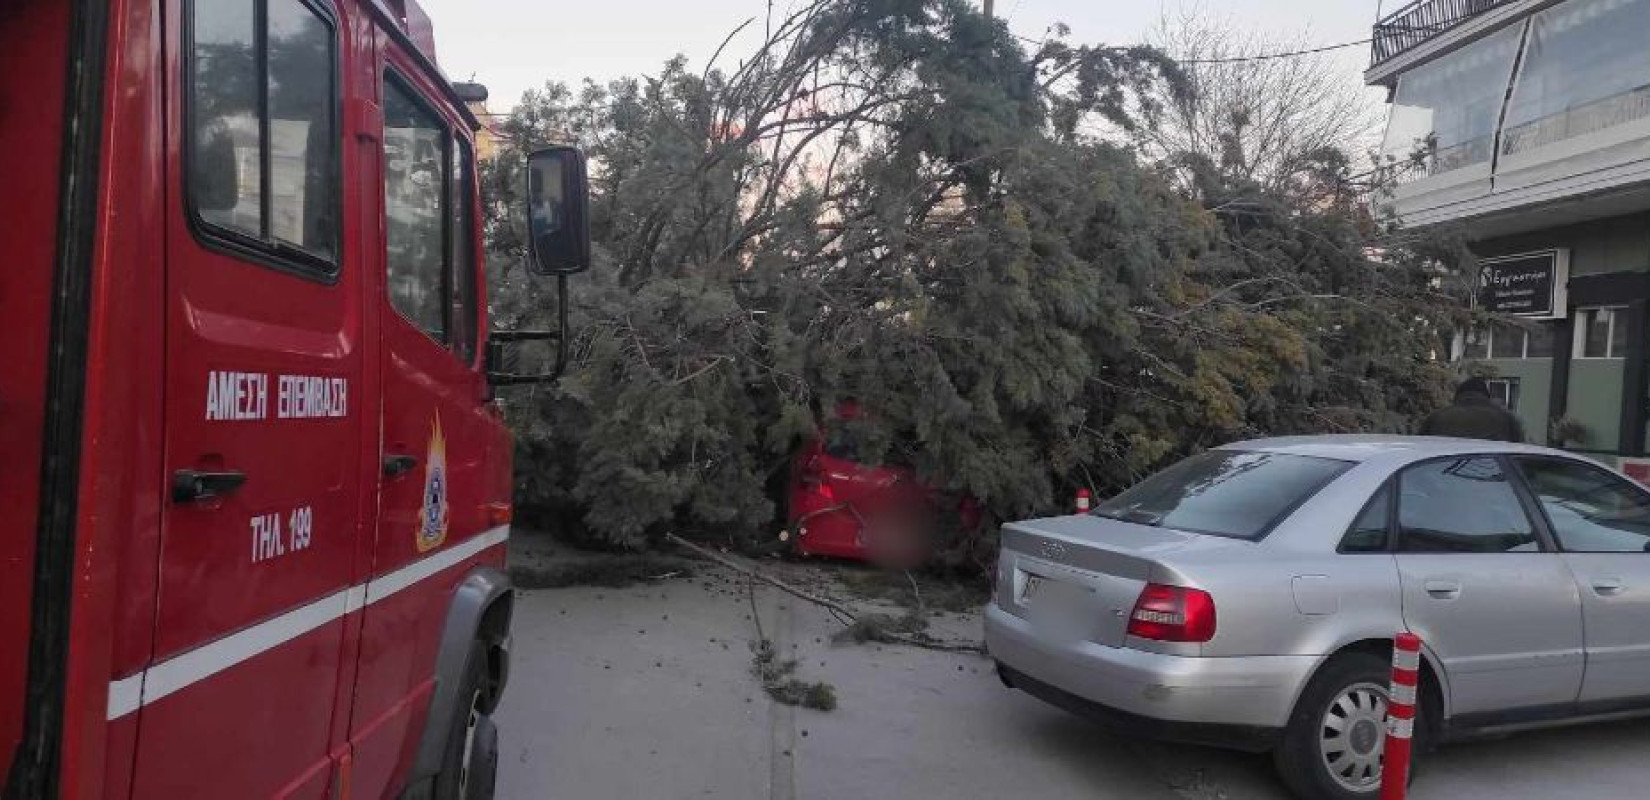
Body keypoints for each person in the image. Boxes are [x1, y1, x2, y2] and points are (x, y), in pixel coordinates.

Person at [1419, 377, 1526, 443]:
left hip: (1440, 475)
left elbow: (1420, 449)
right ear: (1487, 396)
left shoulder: (1436, 417)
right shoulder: (1507, 419)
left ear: (1457, 396)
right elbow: (1522, 454)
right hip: (1492, 475)